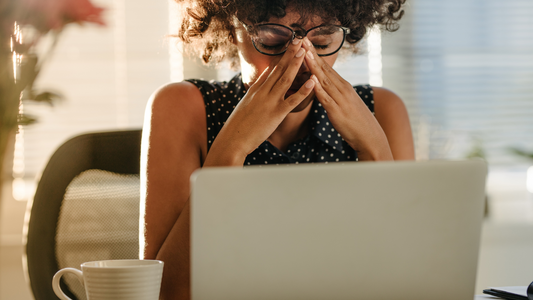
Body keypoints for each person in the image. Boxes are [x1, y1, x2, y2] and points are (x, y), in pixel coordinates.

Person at [141, 0, 414, 299]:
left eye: (322, 42)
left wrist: (373, 149)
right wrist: (233, 146)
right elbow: (165, 291)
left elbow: (407, 282)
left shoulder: (382, 112)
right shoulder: (182, 108)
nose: (301, 60)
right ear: (233, 30)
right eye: (273, 39)